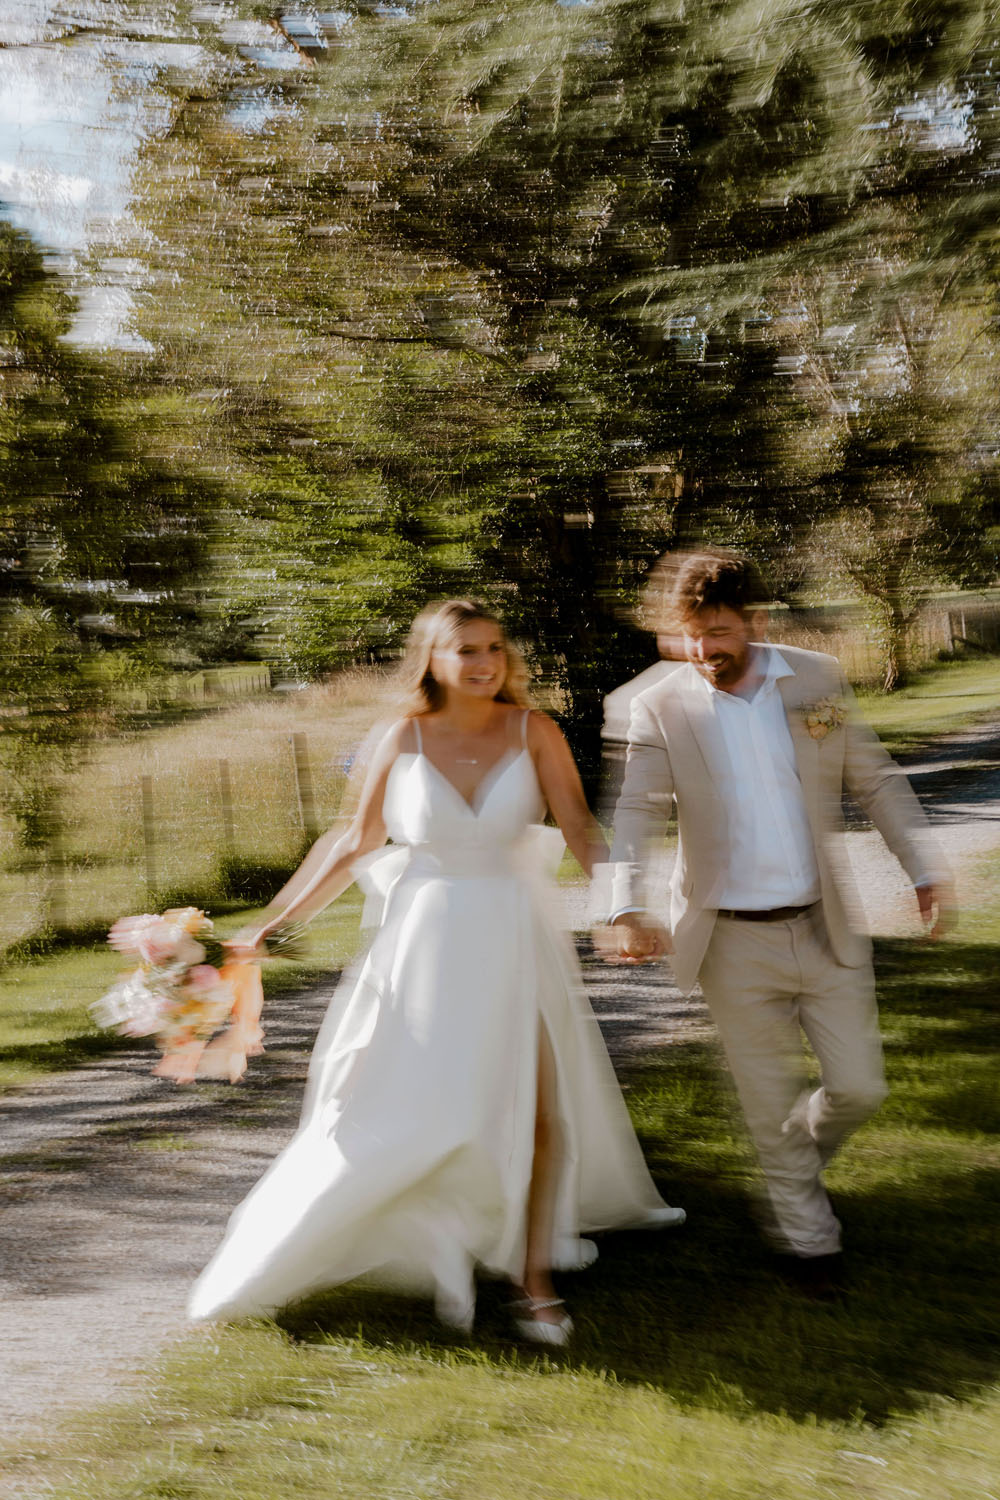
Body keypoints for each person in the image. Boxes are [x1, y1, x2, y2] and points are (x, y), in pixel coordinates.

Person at [189, 599, 683, 1345]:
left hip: (513, 935)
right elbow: (353, 842)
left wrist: (622, 907)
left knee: (538, 1107)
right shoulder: (402, 736)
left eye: (494, 648)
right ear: (433, 660)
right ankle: (330, 1235)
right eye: (466, 650)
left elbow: (581, 829)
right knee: (407, 1106)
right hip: (422, 945)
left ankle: (534, 1280)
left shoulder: (535, 730)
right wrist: (271, 923)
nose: (485, 663)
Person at [602, 552, 953, 1298]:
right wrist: (623, 901)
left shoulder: (815, 680)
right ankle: (809, 1242)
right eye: (691, 634)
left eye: (719, 632)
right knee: (767, 1102)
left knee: (859, 1088)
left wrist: (922, 867)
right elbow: (635, 809)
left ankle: (788, 1173)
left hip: (823, 924)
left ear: (756, 622)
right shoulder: (659, 706)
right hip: (729, 940)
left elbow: (875, 778)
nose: (703, 650)